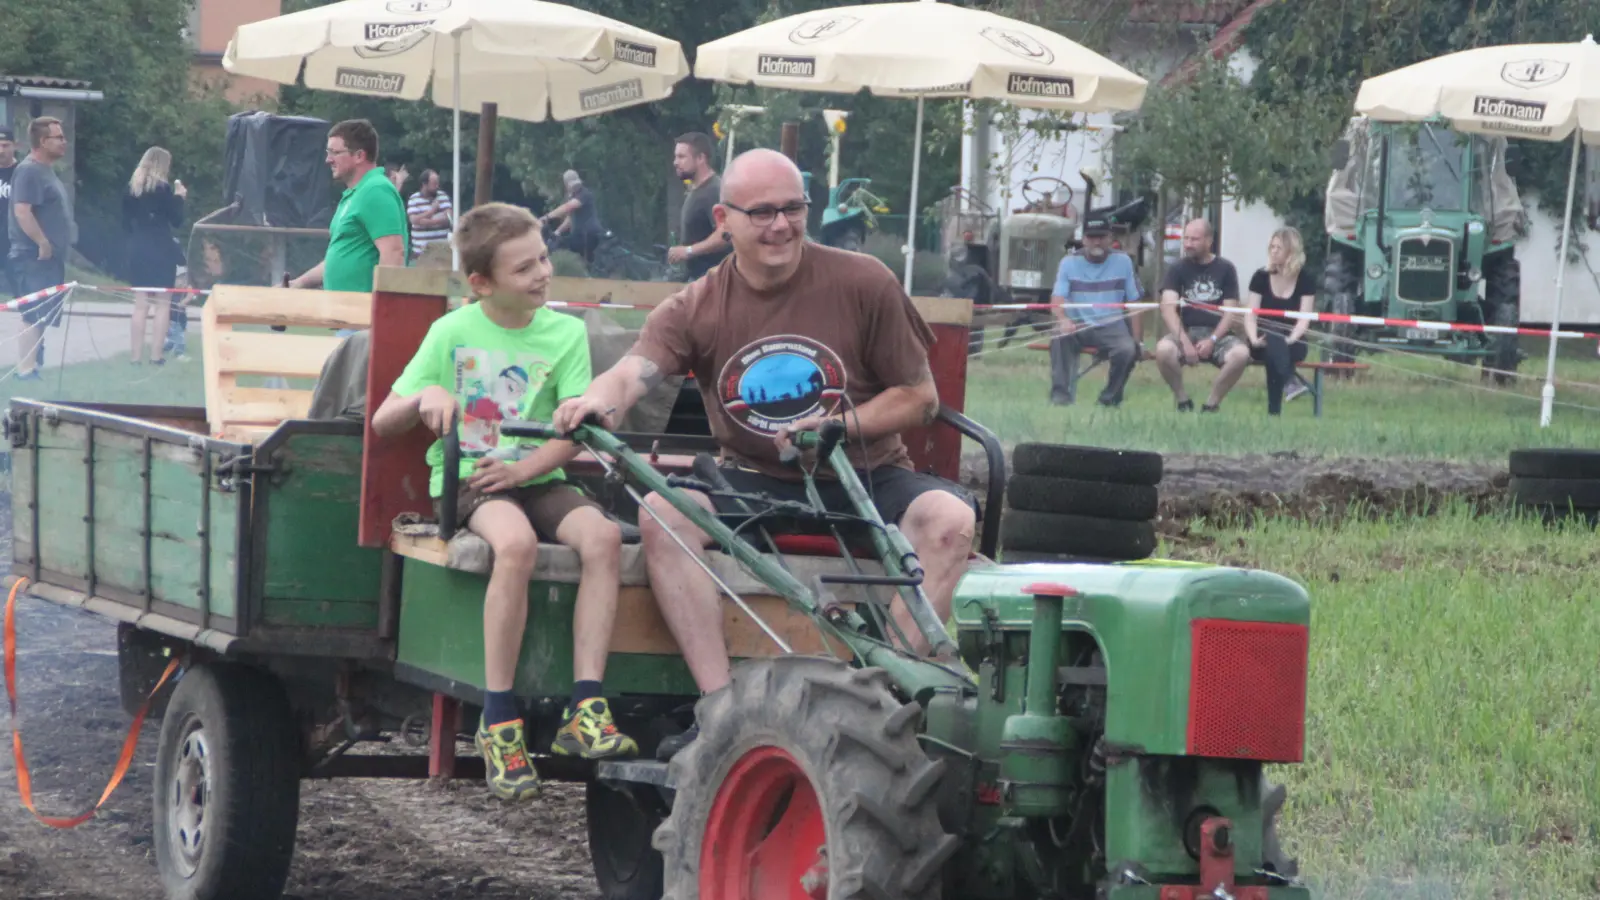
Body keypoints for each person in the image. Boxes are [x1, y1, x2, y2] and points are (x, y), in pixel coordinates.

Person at [553, 149, 979, 761]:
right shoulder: (697, 304)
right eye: (762, 213)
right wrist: (595, 402)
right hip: (754, 480)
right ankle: (720, 713)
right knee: (662, 514)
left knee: (952, 520)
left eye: (792, 209)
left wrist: (838, 425)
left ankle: (880, 705)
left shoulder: (864, 281)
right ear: (723, 219)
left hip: (866, 475)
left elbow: (920, 397)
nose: (780, 225)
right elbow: (631, 374)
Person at [371, 202, 636, 802]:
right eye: (524, 268)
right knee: (514, 544)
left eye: (543, 258)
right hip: (471, 478)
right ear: (482, 283)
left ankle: (586, 706)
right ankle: (499, 719)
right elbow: (384, 420)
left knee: (603, 537)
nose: (543, 273)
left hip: (535, 474)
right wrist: (426, 395)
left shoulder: (566, 333)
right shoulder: (452, 332)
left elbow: (575, 433)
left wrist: (524, 469)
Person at [288, 119, 408, 293]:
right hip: (343, 306)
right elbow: (339, 257)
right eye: (328, 152)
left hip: (362, 307)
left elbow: (393, 253)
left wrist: (382, 305)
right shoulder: (355, 194)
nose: (328, 160)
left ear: (359, 156)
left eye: (335, 153)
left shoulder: (375, 189)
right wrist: (298, 283)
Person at [1154, 218, 1250, 412]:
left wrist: (1212, 340)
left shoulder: (1226, 268)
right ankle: (1183, 400)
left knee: (1241, 354)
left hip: (1219, 335)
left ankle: (1211, 403)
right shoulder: (1177, 268)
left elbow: (1230, 311)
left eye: (1194, 239)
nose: (1188, 244)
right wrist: (1185, 342)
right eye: (1186, 238)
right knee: (1163, 350)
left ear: (1209, 241)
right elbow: (1167, 308)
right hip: (1185, 332)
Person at [1048, 213, 1142, 407]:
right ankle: (1060, 397)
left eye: (1101, 236)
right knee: (1058, 336)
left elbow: (1134, 303)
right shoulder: (1068, 263)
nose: (1096, 242)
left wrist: (1138, 341)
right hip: (1078, 325)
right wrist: (1063, 320)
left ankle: (1109, 399)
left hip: (1112, 326)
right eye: (1091, 237)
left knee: (1127, 350)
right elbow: (1057, 299)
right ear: (1083, 239)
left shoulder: (1124, 261)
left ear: (1110, 238)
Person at [7, 117, 76, 381]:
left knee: (42, 313)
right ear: (42, 141)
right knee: (32, 313)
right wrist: (42, 242)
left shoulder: (46, 171)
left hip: (48, 258)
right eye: (58, 137)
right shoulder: (29, 171)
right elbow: (22, 211)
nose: (64, 142)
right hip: (32, 255)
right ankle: (25, 371)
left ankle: (34, 365)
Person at [122, 147, 187, 365]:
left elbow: (124, 223)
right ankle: (156, 355)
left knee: (140, 305)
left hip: (138, 247)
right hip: (161, 247)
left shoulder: (131, 189)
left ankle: (135, 357)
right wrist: (179, 198)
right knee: (162, 304)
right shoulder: (163, 189)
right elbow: (176, 220)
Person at [1244, 227, 1316, 415]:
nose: (1274, 251)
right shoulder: (1260, 277)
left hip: (1293, 341)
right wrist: (1253, 339)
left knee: (1275, 348)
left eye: (1279, 248)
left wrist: (1290, 339)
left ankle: (1274, 411)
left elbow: (1304, 319)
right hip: (1261, 340)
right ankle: (1290, 381)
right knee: (1272, 338)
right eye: (1272, 247)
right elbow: (1250, 315)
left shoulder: (1306, 279)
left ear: (1291, 251)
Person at [667, 132, 731, 279]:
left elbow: (725, 235)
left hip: (713, 281)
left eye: (681, 157)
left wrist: (688, 251)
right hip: (698, 279)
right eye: (675, 157)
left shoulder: (714, 191)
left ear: (701, 158)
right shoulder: (696, 190)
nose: (675, 162)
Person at [539, 170, 602, 264]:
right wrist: (557, 232)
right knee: (558, 245)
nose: (574, 187)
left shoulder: (584, 194)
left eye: (576, 185)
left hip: (589, 235)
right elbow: (570, 219)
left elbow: (568, 207)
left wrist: (547, 217)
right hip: (578, 236)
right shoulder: (572, 196)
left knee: (565, 249)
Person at [406, 168, 453, 260]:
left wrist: (426, 221)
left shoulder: (442, 196)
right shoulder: (414, 199)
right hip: (421, 251)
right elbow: (414, 220)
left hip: (442, 250)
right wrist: (432, 211)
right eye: (434, 184)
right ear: (424, 184)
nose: (437, 186)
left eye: (437, 183)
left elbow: (449, 217)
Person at [0, 128, 17, 299]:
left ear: (14, 146)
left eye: (5, 145)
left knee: (20, 286)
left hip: (14, 239)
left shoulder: (22, 172)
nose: (1, 150)